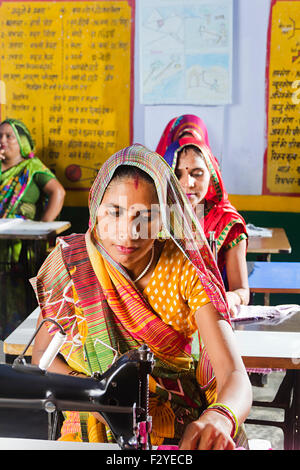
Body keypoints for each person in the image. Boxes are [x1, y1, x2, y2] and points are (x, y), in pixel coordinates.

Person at [31, 144, 252, 450]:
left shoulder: (183, 270)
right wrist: (96, 390)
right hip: (90, 421)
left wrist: (220, 417)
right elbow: (42, 355)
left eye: (145, 216)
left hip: (177, 425)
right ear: (96, 207)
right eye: (114, 212)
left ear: (165, 217)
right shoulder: (74, 263)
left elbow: (234, 375)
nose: (128, 232)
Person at [156, 115, 249, 317]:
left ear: (212, 173)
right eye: (177, 174)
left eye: (197, 173)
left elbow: (242, 290)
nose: (188, 183)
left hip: (212, 316)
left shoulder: (227, 222)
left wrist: (230, 298)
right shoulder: (155, 218)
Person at [0, 118, 66, 338]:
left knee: (17, 291)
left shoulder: (32, 167)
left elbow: (58, 192)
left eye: (10, 136)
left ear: (23, 142)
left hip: (22, 245)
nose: (3, 140)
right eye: (0, 136)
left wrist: (45, 227)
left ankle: (16, 339)